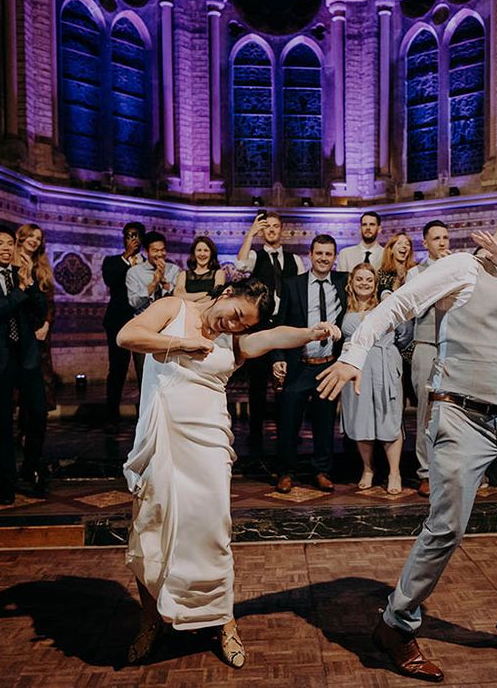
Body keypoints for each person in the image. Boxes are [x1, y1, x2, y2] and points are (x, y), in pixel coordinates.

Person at [317, 214, 497, 680]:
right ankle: (394, 626)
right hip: (459, 415)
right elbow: (397, 305)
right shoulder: (461, 267)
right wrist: (352, 356)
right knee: (448, 526)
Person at [118, 278, 340, 668]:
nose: (233, 325)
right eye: (235, 313)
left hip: (208, 444)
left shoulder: (235, 342)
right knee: (153, 525)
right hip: (163, 436)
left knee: (212, 532)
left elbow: (272, 337)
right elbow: (128, 335)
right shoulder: (174, 309)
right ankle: (150, 620)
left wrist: (312, 332)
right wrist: (181, 344)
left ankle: (224, 621)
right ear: (225, 295)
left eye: (242, 324)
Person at [271, 234, 348, 494]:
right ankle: (286, 472)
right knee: (289, 422)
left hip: (328, 365)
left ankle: (321, 471)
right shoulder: (293, 285)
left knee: (325, 423)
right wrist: (278, 357)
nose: (324, 258)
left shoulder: (343, 282)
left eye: (329, 254)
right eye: (319, 253)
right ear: (310, 255)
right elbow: (280, 324)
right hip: (299, 364)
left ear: (334, 257)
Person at [235, 212, 305, 465]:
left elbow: (300, 289)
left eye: (276, 226)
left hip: (285, 324)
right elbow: (240, 266)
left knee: (287, 384)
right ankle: (255, 434)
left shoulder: (294, 259)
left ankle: (288, 433)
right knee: (257, 384)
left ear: (282, 230)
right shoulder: (256, 256)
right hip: (261, 326)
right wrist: (250, 234)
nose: (272, 230)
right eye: (268, 227)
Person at [341, 264, 410, 494]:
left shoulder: (385, 305)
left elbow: (404, 333)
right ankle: (368, 469)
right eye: (359, 278)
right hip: (357, 369)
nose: (364, 283)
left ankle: (394, 472)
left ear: (375, 283)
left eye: (369, 279)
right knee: (362, 420)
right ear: (351, 282)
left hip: (383, 365)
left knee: (389, 419)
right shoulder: (343, 306)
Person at [0, 224, 47, 505]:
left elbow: (39, 311)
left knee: (38, 413)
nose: (5, 247)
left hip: (26, 356)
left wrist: (29, 284)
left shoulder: (21, 275)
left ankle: (31, 467)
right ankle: (5, 480)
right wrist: (18, 293)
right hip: (0, 359)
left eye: (8, 243)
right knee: (2, 422)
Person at [406, 220, 450, 497]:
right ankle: (425, 472)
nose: (443, 243)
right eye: (436, 238)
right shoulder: (415, 272)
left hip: (454, 346)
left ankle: (449, 470)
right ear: (425, 242)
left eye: (446, 237)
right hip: (426, 345)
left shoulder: (458, 265)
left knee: (453, 412)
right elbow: (418, 304)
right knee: (426, 412)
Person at [14, 224, 55, 492]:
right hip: (12, 338)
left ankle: (32, 463)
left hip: (36, 340)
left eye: (38, 238)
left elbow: (47, 301)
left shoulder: (41, 267)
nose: (34, 241)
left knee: (37, 407)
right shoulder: (9, 262)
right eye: (30, 236)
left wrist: (47, 323)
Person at [102, 222, 145, 427]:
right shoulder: (112, 262)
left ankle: (146, 417)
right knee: (117, 370)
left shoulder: (149, 264)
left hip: (143, 323)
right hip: (118, 322)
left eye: (136, 236)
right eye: (129, 236)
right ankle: (111, 416)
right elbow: (111, 281)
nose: (133, 239)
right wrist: (127, 257)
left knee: (145, 371)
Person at [126, 231, 180, 389]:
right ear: (147, 252)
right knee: (144, 378)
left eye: (162, 250)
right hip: (143, 329)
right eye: (155, 250)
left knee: (170, 377)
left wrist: (163, 282)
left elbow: (177, 299)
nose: (160, 254)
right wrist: (152, 284)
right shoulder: (134, 273)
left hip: (168, 330)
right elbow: (134, 302)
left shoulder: (173, 270)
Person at [174, 235, 225, 302]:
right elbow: (178, 296)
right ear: (194, 253)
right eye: (199, 250)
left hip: (209, 311)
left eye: (206, 250)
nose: (202, 254)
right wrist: (207, 293)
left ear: (211, 253)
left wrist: (189, 298)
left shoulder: (219, 273)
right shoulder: (183, 274)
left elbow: (216, 296)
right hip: (188, 311)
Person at [377, 232, 416, 299]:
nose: (404, 246)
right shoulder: (383, 273)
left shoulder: (415, 271)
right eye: (399, 243)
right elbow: (383, 292)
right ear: (391, 249)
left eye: (407, 244)